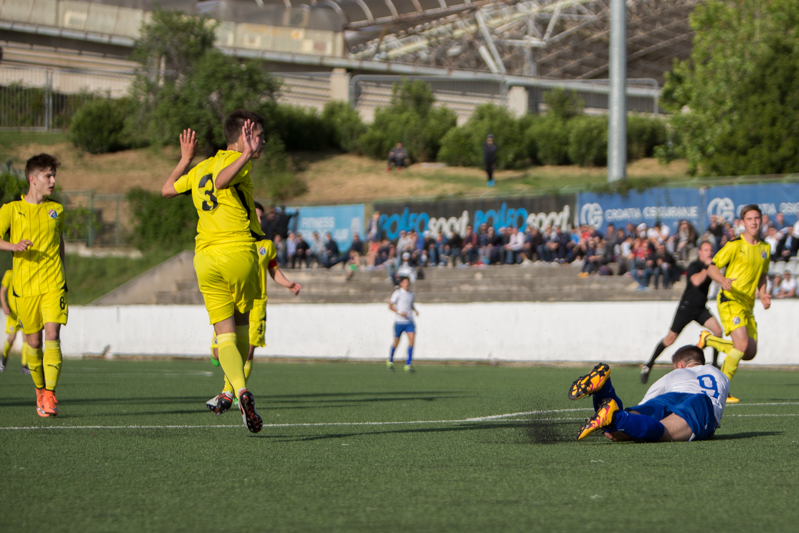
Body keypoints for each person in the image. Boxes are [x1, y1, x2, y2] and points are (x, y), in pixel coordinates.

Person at [161, 111, 266, 433]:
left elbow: (166, 189)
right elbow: (222, 182)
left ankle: (237, 389)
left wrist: (184, 159)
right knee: (244, 323)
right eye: (258, 134)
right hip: (236, 251)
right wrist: (246, 153)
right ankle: (237, 389)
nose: (261, 141)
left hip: (205, 258)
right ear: (241, 137)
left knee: (224, 335)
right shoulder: (239, 160)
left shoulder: (200, 167)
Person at [206, 202, 302, 414]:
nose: (259, 221)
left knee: (248, 353)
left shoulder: (266, 245)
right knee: (218, 351)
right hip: (232, 299)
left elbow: (273, 270)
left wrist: (289, 284)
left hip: (257, 304)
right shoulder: (234, 240)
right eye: (255, 216)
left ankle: (229, 394)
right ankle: (231, 389)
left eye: (261, 217)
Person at [0, 154, 67, 417]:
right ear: (32, 179)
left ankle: (49, 394)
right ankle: (40, 391)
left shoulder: (57, 210)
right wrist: (13, 246)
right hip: (25, 289)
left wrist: (64, 272)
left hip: (53, 284)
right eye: (47, 176)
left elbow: (60, 241)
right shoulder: (10, 210)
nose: (52, 180)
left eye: (53, 175)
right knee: (34, 342)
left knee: (53, 336)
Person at [570, 345, 728, 442]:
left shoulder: (672, 376)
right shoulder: (720, 375)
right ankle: (615, 416)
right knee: (664, 431)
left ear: (679, 365)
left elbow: (643, 407)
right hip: (701, 402)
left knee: (615, 433)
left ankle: (605, 390)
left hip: (670, 396)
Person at [697, 204, 771, 403]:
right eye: (749, 219)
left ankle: (709, 340)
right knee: (742, 344)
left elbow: (763, 275)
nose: (754, 222)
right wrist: (722, 280)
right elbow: (713, 267)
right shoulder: (734, 245)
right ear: (742, 223)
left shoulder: (765, 248)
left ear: (761, 220)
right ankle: (722, 389)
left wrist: (763, 294)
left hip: (748, 304)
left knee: (749, 352)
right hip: (730, 300)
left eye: (757, 218)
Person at [641, 241, 723, 383]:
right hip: (686, 308)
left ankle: (715, 365)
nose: (709, 252)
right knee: (669, 339)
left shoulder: (711, 266)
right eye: (706, 250)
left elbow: (718, 278)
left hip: (700, 309)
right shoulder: (695, 266)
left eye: (711, 249)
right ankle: (648, 365)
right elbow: (696, 281)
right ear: (700, 253)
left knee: (718, 331)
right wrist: (707, 267)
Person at [387, 275, 418, 372]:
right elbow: (390, 306)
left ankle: (408, 364)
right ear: (401, 284)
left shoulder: (411, 294)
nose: (406, 284)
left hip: (409, 321)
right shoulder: (397, 293)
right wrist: (400, 312)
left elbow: (410, 304)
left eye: (407, 282)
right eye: (404, 282)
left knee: (412, 341)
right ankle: (390, 360)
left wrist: (415, 310)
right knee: (396, 342)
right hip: (399, 322)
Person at [0, 269, 28, 374]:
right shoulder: (9, 273)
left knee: (26, 339)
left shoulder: (25, 272)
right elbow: (2, 290)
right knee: (11, 338)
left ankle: (24, 366)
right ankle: (3, 360)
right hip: (13, 314)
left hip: (23, 313)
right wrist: (4, 305)